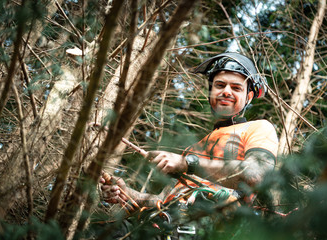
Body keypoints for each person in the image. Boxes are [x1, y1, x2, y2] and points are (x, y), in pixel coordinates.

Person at [100, 52, 278, 236]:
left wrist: (188, 163)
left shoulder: (259, 128)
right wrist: (127, 193)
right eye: (219, 85)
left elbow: (256, 174)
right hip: (163, 223)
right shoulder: (194, 149)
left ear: (249, 96)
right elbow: (164, 199)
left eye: (236, 87)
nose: (226, 91)